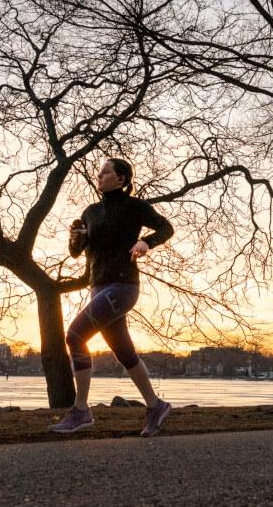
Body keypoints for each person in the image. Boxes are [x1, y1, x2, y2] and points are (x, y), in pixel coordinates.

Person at [48, 157, 175, 437]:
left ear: (121, 179)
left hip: (123, 286)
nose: (100, 175)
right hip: (97, 286)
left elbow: (166, 228)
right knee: (124, 352)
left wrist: (146, 242)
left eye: (106, 171)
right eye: (99, 172)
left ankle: (81, 411)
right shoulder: (91, 212)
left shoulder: (134, 206)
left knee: (75, 336)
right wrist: (76, 238)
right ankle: (156, 405)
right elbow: (76, 252)